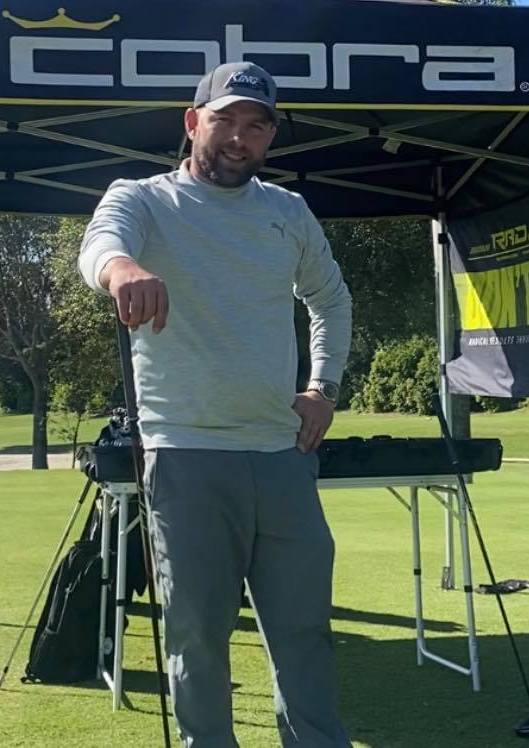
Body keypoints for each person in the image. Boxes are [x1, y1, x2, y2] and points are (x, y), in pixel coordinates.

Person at [79, 61, 352, 748]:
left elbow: (330, 299)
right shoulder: (142, 198)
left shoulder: (286, 211)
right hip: (185, 454)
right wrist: (124, 269)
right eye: (225, 119)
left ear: (268, 139)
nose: (239, 137)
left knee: (304, 633)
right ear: (192, 122)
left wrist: (322, 387)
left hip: (282, 454)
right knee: (197, 639)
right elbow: (100, 245)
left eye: (256, 125)